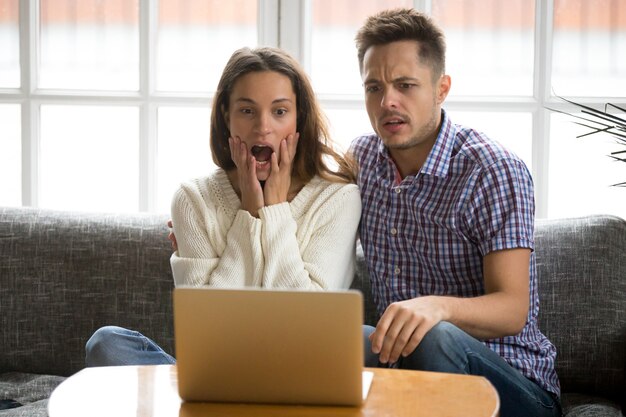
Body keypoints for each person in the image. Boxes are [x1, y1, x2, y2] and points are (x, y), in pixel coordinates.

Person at [85, 46, 361, 366]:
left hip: (301, 370)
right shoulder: (193, 199)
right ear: (226, 117)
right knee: (108, 344)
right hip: (217, 370)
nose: (263, 126)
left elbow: (309, 325)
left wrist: (273, 210)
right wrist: (248, 214)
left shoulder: (337, 198)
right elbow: (207, 331)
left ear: (300, 119)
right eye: (247, 110)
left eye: (280, 111)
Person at [350, 8, 561, 417]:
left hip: (516, 386)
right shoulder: (361, 160)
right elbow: (296, 193)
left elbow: (512, 308)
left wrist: (438, 307)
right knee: (339, 340)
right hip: (408, 372)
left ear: (441, 88)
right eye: (373, 87)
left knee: (436, 336)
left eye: (405, 85)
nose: (387, 101)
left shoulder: (492, 170)